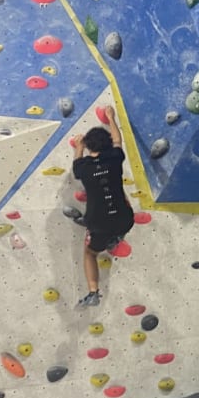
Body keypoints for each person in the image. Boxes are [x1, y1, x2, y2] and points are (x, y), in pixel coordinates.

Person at [71, 106, 134, 306]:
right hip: (124, 220)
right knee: (122, 200)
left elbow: (77, 161)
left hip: (98, 223)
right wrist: (110, 118)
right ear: (108, 146)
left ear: (90, 148)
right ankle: (116, 239)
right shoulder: (116, 158)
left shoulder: (83, 168)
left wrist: (78, 147)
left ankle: (93, 292)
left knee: (90, 253)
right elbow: (118, 140)